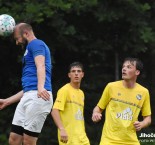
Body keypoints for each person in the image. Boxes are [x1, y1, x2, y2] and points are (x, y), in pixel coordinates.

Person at [0, 23, 53, 145]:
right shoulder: (30, 48)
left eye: (17, 38)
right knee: (14, 139)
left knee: (29, 141)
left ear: (26, 34)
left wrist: (40, 88)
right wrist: (7, 101)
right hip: (28, 96)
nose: (17, 42)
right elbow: (28, 88)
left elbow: (41, 65)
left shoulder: (36, 43)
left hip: (39, 96)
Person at [92, 57, 151, 145]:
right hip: (109, 140)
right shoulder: (111, 86)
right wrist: (95, 113)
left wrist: (142, 124)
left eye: (129, 67)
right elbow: (98, 108)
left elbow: (148, 118)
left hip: (131, 141)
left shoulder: (144, 92)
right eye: (123, 67)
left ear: (137, 72)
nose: (124, 69)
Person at [51, 62, 90, 145]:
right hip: (68, 138)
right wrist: (62, 129)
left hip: (82, 138)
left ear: (82, 74)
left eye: (79, 71)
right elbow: (54, 111)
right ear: (69, 75)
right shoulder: (64, 90)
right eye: (73, 71)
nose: (76, 73)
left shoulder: (81, 93)